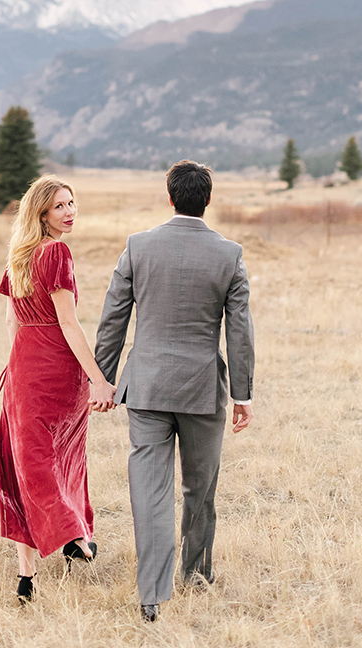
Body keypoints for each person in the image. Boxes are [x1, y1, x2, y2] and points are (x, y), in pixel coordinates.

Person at [94, 160, 255, 621]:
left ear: (170, 198)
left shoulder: (137, 246)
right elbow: (239, 331)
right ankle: (196, 575)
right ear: (207, 200)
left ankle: (151, 596)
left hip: (145, 388)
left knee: (150, 490)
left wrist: (104, 380)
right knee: (200, 487)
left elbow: (113, 318)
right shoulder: (229, 254)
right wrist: (242, 394)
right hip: (203, 390)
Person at [0, 175, 116, 604]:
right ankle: (73, 538)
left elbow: (11, 322)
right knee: (59, 458)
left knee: (23, 464)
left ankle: (26, 576)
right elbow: (68, 322)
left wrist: (16, 367)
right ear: (42, 213)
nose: (70, 212)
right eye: (61, 206)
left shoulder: (17, 256)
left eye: (72, 203)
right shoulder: (56, 252)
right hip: (57, 367)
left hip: (22, 366)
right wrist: (98, 377)